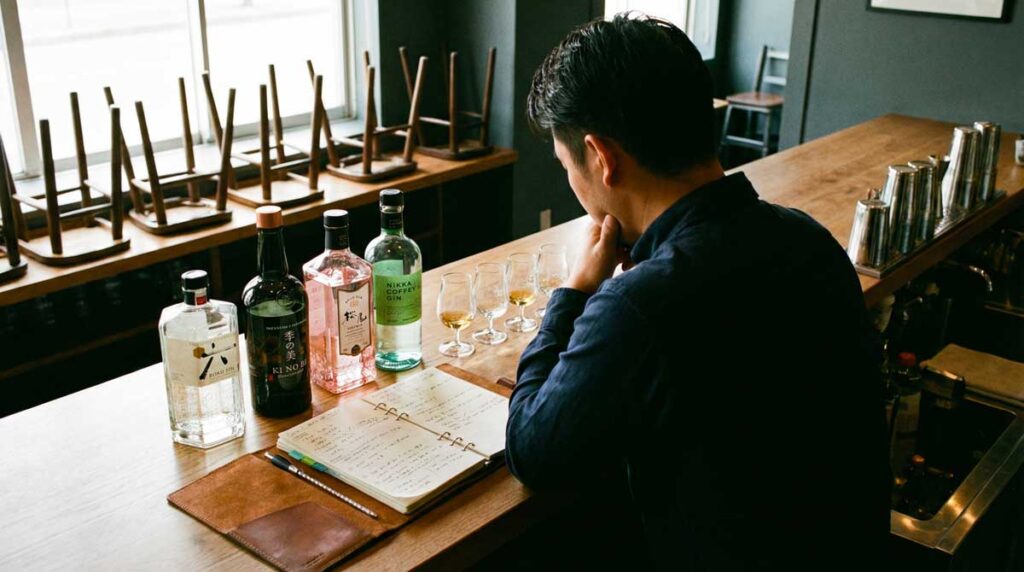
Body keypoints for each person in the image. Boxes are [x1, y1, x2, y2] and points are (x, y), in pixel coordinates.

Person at [505, 13, 890, 569]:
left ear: (601, 157)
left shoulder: (640, 304)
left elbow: (533, 449)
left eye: (569, 165)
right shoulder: (808, 239)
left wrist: (575, 293)